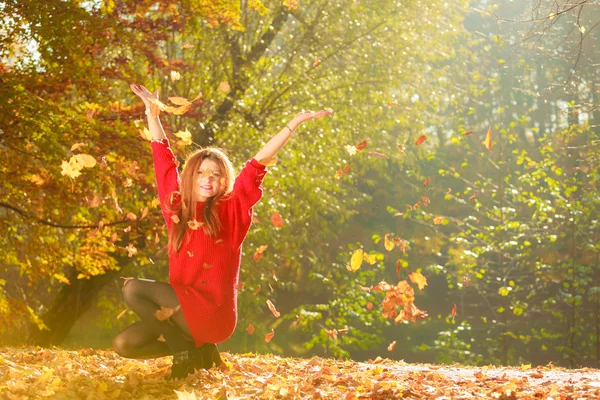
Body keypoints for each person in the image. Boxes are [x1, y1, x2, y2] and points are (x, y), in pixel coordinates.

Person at [112, 83, 332, 379]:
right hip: (181, 311)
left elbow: (257, 164)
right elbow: (163, 159)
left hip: (213, 313)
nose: (207, 179)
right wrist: (153, 113)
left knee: (132, 287)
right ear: (190, 177)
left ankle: (183, 351)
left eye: (215, 175)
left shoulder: (231, 210)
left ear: (223, 180)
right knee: (124, 343)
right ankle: (196, 351)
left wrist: (291, 125)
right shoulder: (176, 207)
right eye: (201, 173)